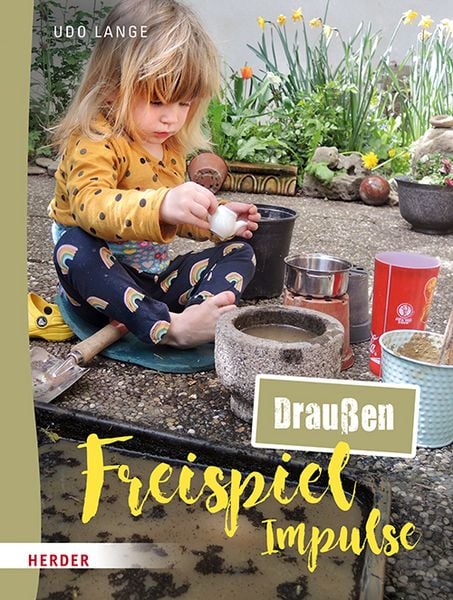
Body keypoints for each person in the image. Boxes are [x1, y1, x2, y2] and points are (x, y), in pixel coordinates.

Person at [48, 0, 260, 348]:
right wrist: (162, 204)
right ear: (112, 87)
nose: (171, 118)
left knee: (240, 251)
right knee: (73, 247)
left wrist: (214, 218)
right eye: (157, 101)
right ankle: (171, 328)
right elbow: (91, 206)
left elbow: (176, 215)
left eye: (184, 103)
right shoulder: (94, 139)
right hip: (100, 289)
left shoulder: (167, 143)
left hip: (153, 285)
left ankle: (200, 316)